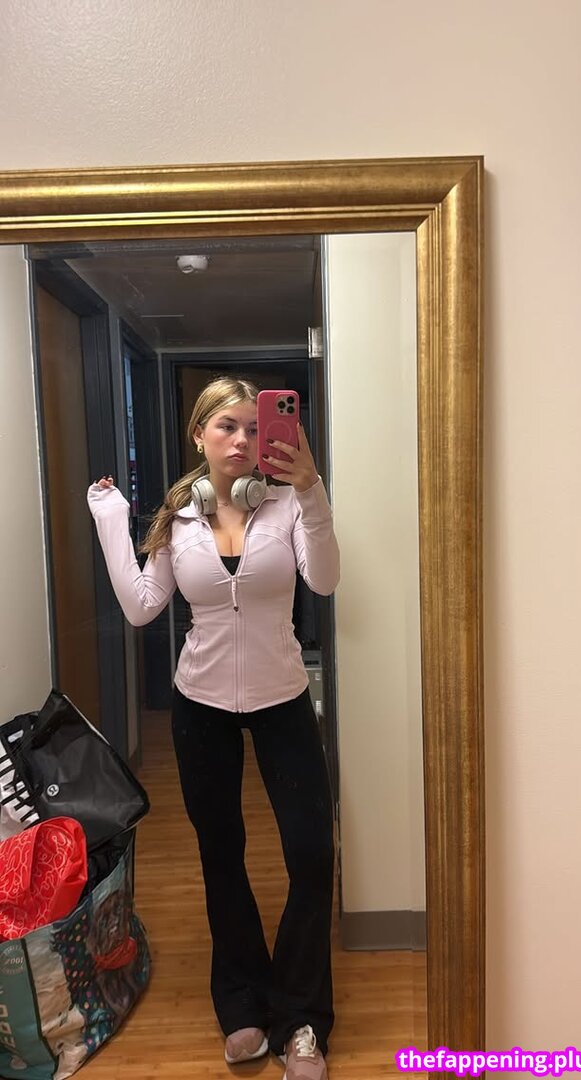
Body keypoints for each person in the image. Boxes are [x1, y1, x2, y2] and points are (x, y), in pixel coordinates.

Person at [87, 375, 340, 1080]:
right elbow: (142, 606)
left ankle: (302, 1020)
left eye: (255, 427)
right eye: (227, 426)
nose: (244, 439)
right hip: (199, 704)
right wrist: (111, 518)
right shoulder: (180, 517)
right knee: (221, 853)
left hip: (282, 696)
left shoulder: (289, 504)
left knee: (311, 853)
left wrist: (313, 490)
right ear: (198, 434)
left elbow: (324, 580)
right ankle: (242, 1003)